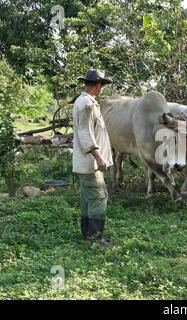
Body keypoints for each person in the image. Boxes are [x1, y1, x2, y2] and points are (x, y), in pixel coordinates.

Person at [73, 69, 114, 247]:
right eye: (102, 85)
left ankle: (88, 236)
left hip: (88, 163)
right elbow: (85, 133)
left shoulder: (88, 102)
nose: (102, 89)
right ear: (97, 85)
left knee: (88, 199)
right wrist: (98, 157)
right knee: (98, 197)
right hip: (91, 164)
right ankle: (96, 239)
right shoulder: (86, 105)